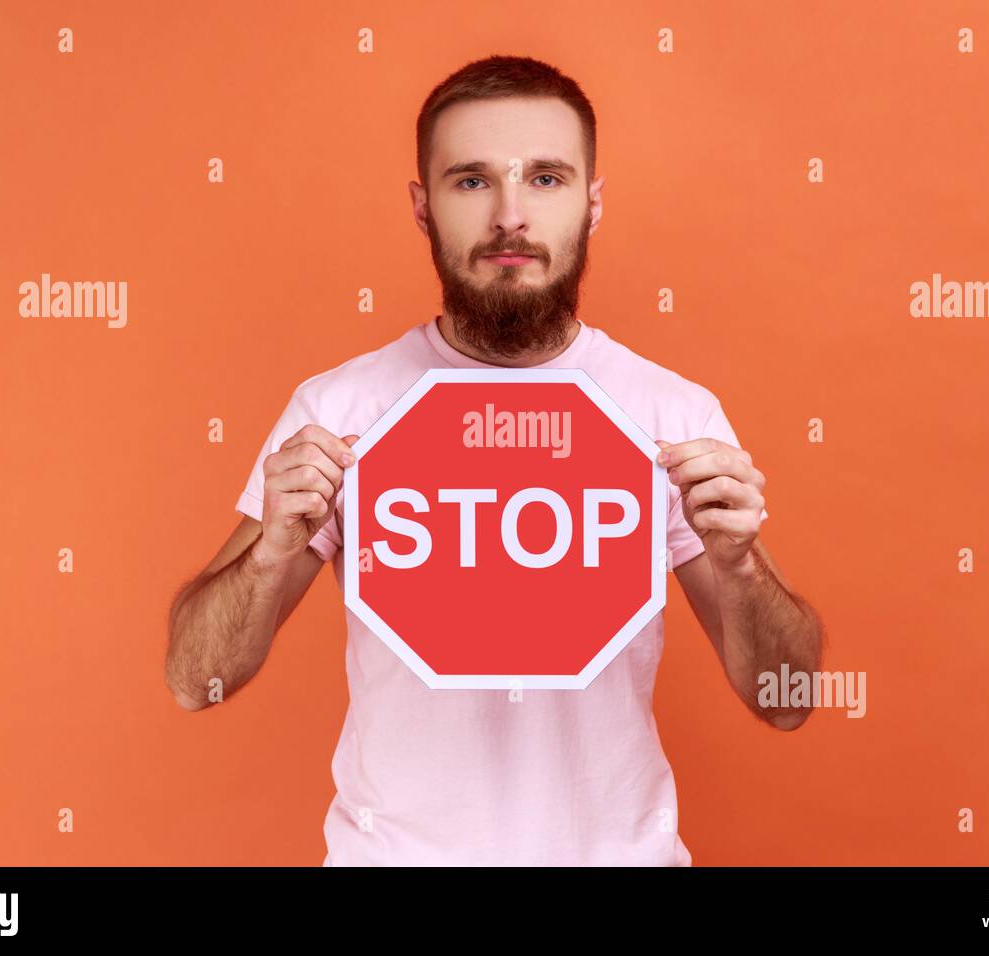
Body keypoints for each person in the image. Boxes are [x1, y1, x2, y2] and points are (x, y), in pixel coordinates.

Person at [165, 54, 823, 866]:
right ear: (423, 206)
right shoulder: (340, 412)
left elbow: (786, 703)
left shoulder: (672, 416)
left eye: (545, 179)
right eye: (471, 181)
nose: (510, 216)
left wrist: (743, 566)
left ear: (592, 201)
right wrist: (269, 555)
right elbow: (196, 682)